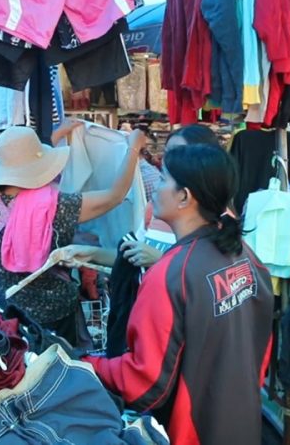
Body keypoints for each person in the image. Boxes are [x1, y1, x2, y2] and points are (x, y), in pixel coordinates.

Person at [83, 144, 275, 444]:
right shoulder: (243, 254)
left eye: (162, 180)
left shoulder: (171, 273)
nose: (155, 190)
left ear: (184, 196)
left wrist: (87, 364)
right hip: (243, 421)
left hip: (194, 431)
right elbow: (262, 341)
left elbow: (144, 382)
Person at [0, 125, 145, 345]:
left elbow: (29, 168)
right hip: (55, 312)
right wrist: (133, 148)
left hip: (5, 306)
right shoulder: (57, 206)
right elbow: (115, 196)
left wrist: (56, 136)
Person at [65, 124, 222, 269]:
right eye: (167, 152)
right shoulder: (157, 209)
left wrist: (161, 259)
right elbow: (135, 253)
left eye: (179, 152)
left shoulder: (221, 222)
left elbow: (210, 277)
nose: (169, 159)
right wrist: (92, 253)